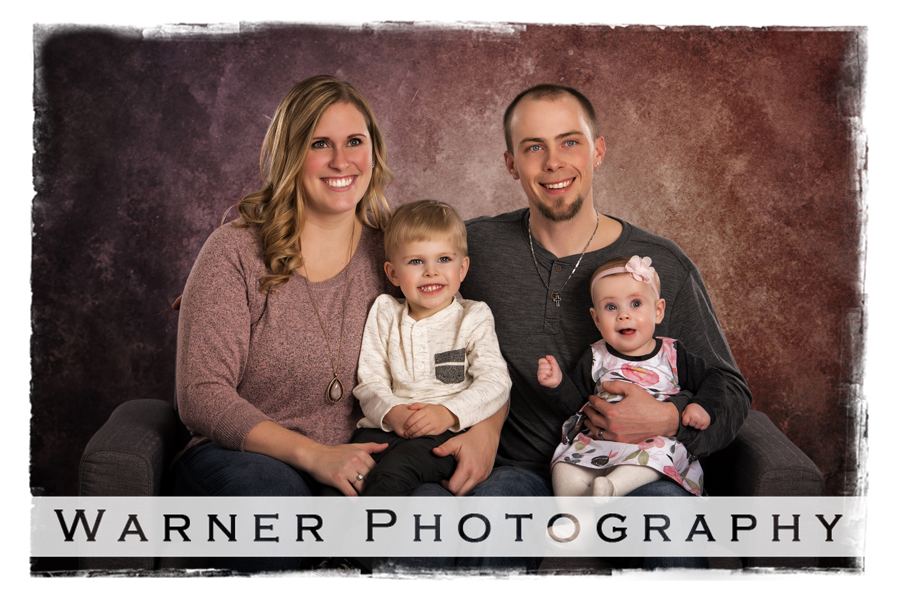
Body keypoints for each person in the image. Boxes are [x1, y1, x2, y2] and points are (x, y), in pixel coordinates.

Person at [391, 83, 751, 572]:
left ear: (598, 150)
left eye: (570, 142)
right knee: (489, 524)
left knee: (672, 523)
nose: (553, 162)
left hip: (640, 472)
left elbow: (730, 389)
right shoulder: (473, 250)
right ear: (511, 163)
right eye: (533, 147)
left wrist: (670, 418)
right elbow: (398, 264)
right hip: (520, 472)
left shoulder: (658, 265)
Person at [169, 75, 398, 571]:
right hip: (244, 460)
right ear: (291, 155)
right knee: (277, 507)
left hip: (355, 462)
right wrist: (314, 455)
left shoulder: (397, 254)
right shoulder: (235, 252)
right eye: (321, 144)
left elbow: (464, 339)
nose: (342, 162)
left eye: (354, 142)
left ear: (373, 153)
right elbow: (202, 395)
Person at [351, 200, 511, 496]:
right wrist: (392, 412)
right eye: (416, 262)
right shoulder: (385, 312)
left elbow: (496, 381)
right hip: (384, 427)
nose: (431, 272)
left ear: (463, 268)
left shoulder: (472, 316)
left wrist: (448, 413)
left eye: (444, 260)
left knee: (391, 476)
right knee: (343, 483)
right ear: (393, 273)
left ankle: (370, 539)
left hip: (445, 434)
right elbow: (370, 380)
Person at [538, 255, 728, 498]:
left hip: (652, 441)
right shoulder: (596, 356)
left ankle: (612, 488)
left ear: (658, 311)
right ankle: (574, 519)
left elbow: (714, 379)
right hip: (598, 441)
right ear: (596, 319)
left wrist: (703, 406)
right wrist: (558, 384)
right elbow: (577, 401)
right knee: (564, 465)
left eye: (635, 303)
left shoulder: (673, 354)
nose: (623, 315)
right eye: (611, 307)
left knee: (660, 453)